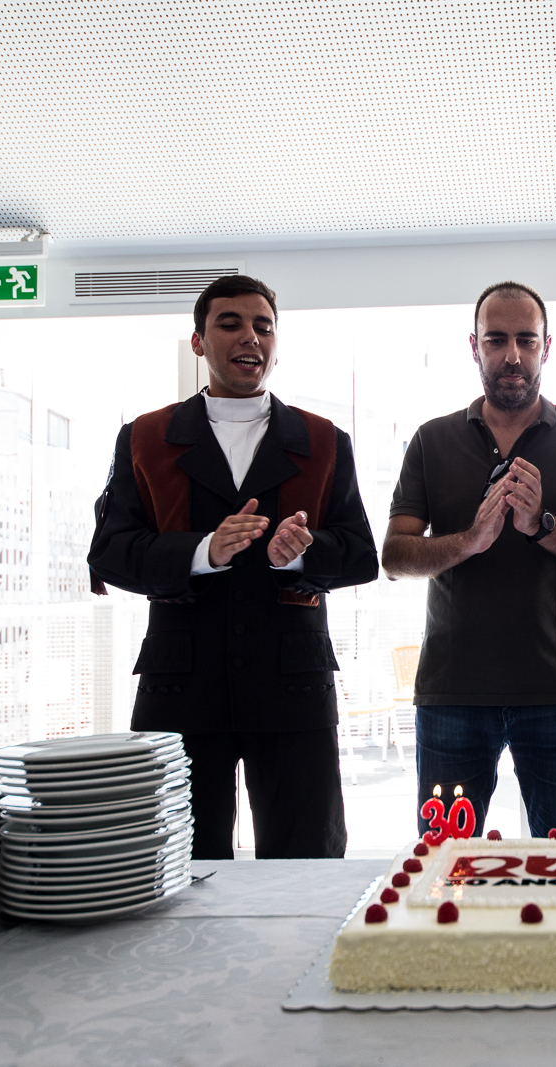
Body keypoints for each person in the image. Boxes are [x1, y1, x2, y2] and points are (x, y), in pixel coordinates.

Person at [87, 274, 378, 860]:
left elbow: (359, 553)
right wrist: (202, 552)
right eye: (231, 323)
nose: (251, 337)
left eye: (263, 326)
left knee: (307, 864)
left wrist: (303, 551)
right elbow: (110, 554)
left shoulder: (324, 440)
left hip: (292, 686)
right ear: (198, 342)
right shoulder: (145, 438)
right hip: (181, 688)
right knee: (173, 866)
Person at [382, 281, 556, 838]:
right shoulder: (431, 440)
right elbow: (395, 556)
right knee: (446, 869)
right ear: (474, 347)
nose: (512, 355)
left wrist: (541, 525)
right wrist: (470, 539)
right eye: (496, 340)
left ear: (546, 346)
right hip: (452, 693)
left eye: (526, 340)